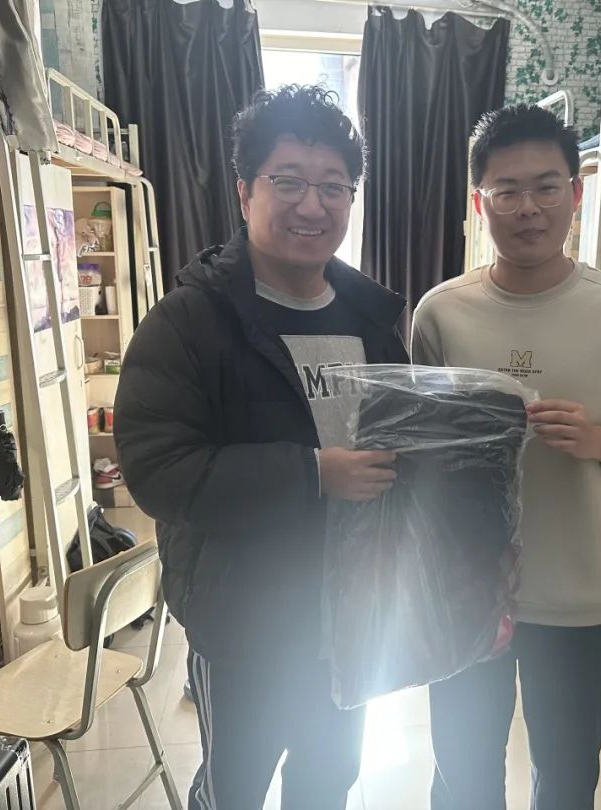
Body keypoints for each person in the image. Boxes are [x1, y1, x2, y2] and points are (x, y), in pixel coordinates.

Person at [114, 85, 408, 810]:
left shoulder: (371, 319)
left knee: (328, 781)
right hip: (244, 619)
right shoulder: (188, 324)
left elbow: (399, 449)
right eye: (289, 181)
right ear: (245, 191)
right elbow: (159, 472)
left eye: (333, 186)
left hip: (349, 611)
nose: (313, 205)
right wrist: (312, 474)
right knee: (236, 787)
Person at [411, 104, 601, 810]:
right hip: (466, 583)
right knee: (463, 775)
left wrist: (600, 440)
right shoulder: (440, 313)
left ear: (577, 191)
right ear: (481, 203)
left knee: (566, 779)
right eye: (506, 191)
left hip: (576, 590)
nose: (528, 208)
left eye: (546, 187)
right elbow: (417, 443)